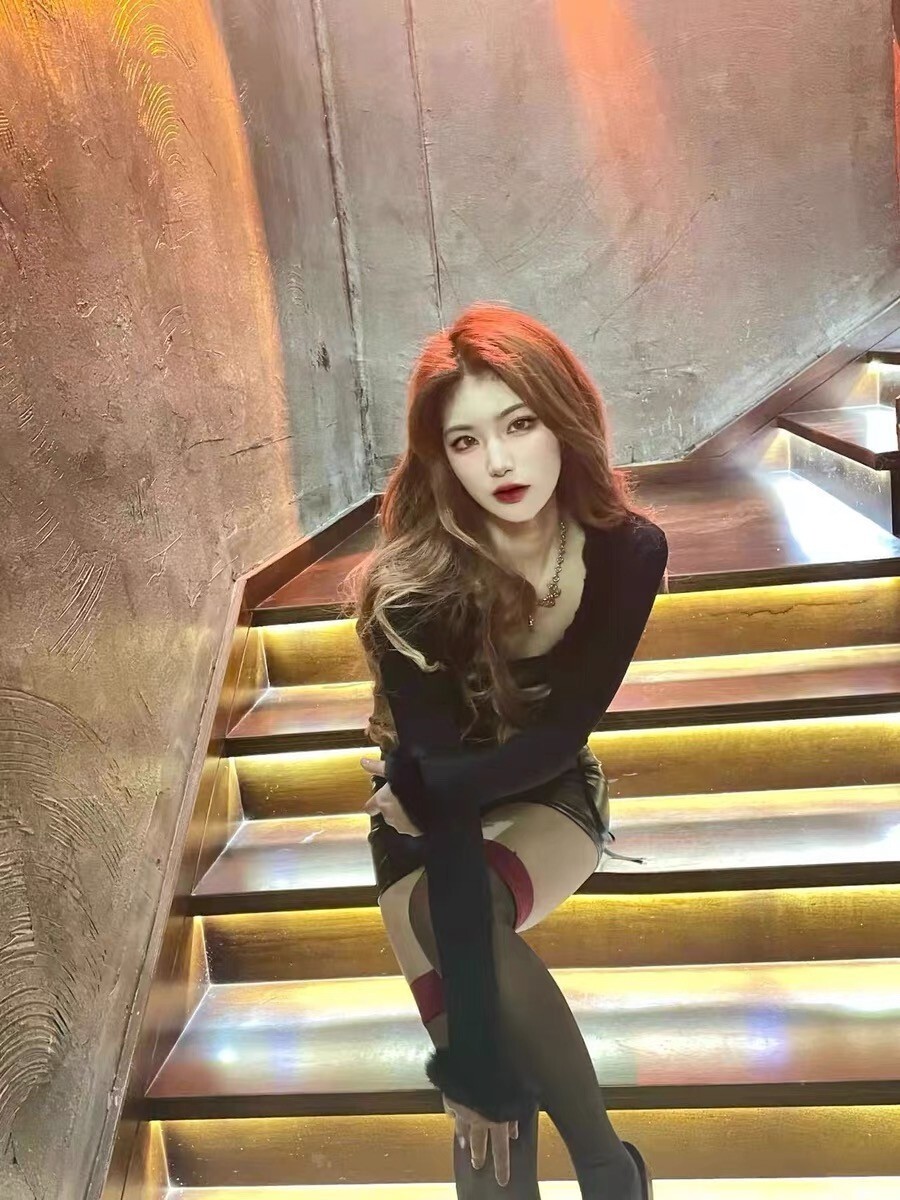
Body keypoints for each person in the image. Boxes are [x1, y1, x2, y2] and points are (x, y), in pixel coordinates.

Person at [344, 302, 667, 1198]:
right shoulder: (414, 585)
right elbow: (437, 810)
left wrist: (431, 785)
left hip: (548, 791)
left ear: (563, 416)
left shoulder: (627, 552)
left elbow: (561, 736)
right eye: (465, 441)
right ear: (440, 458)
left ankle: (604, 1170)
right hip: (422, 832)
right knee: (487, 1125)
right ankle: (612, 1173)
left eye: (519, 425)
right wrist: (476, 1061)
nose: (498, 462)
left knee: (466, 952)